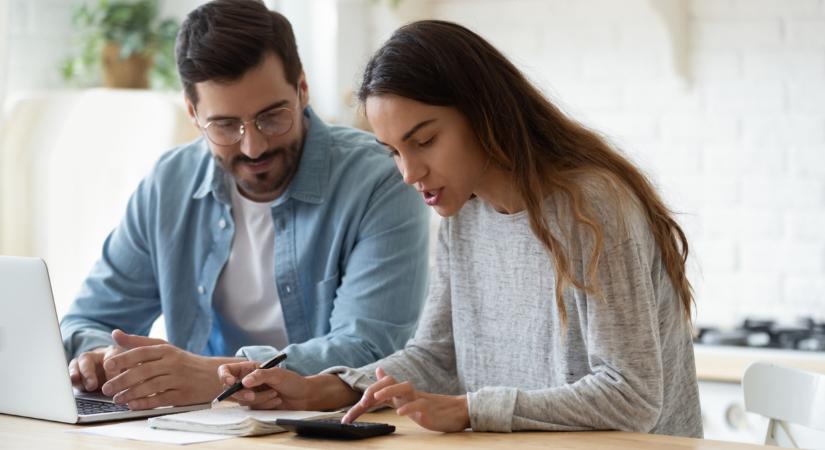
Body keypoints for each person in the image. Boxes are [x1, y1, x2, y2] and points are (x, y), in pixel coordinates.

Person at [216, 20, 703, 437]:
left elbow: (632, 396)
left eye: (424, 140)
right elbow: (439, 356)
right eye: (393, 151)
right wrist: (327, 387)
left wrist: (471, 410)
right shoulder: (463, 212)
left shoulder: (590, 206)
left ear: (483, 113)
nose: (409, 173)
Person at [59, 0, 429, 410]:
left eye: (272, 117)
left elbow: (370, 349)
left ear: (302, 88)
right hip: (196, 428)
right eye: (225, 126)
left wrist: (213, 375)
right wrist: (102, 360)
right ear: (193, 113)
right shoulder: (169, 184)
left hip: (324, 426)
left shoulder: (379, 180)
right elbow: (86, 321)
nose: (253, 146)